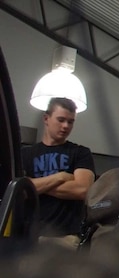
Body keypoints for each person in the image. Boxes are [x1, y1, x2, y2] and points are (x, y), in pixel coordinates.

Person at [21, 97, 95, 243]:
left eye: (71, 121)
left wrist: (34, 185)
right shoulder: (26, 154)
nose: (66, 126)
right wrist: (60, 177)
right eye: (61, 120)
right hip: (28, 237)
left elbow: (82, 190)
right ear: (46, 118)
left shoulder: (80, 153)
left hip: (65, 237)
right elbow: (20, 192)